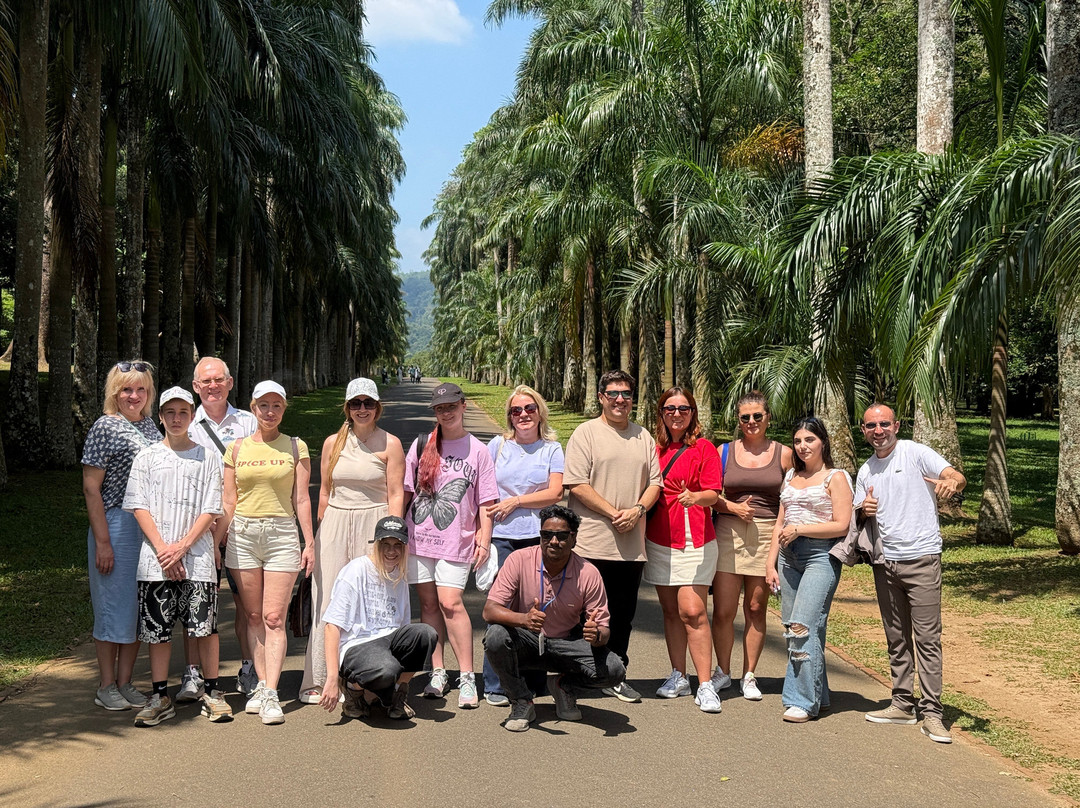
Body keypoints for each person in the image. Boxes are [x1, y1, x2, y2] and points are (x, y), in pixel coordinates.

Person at [856, 403, 965, 744]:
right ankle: (902, 704)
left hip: (921, 559)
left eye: (884, 423)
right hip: (885, 562)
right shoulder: (866, 471)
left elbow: (955, 476)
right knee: (897, 637)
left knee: (927, 639)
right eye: (871, 425)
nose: (879, 430)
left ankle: (932, 713)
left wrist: (951, 482)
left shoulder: (916, 453)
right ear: (863, 431)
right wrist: (865, 509)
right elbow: (860, 512)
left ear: (897, 425)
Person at [123, 387, 231, 726]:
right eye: (170, 412)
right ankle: (159, 696)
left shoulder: (208, 457)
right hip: (155, 562)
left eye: (183, 412)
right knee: (157, 631)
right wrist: (163, 549)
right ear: (161, 416)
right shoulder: (146, 457)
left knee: (205, 628)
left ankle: (212, 691)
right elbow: (138, 506)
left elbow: (212, 507)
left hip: (196, 559)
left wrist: (182, 546)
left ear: (191, 415)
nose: (176, 418)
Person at [300, 378, 405, 704]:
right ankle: (319, 678)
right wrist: (317, 537)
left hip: (373, 525)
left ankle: (366, 680)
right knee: (328, 597)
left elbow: (396, 494)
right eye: (356, 403)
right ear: (347, 407)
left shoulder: (391, 444)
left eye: (368, 403)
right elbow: (325, 492)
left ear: (377, 407)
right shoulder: (333, 442)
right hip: (334, 523)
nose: (363, 409)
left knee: (371, 597)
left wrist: (392, 538)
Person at [563, 370, 662, 703]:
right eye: (613, 393)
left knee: (622, 615)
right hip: (592, 542)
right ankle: (578, 675)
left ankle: (616, 673)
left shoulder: (643, 437)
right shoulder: (586, 433)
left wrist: (636, 510)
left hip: (630, 546)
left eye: (627, 394)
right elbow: (576, 482)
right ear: (601, 397)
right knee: (584, 614)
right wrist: (612, 512)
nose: (620, 400)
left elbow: (655, 485)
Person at [221, 380, 316, 724]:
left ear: (284, 408)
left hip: (281, 535)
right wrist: (218, 541)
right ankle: (261, 685)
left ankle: (272, 693)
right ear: (253, 408)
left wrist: (310, 542)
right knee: (253, 617)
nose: (270, 412)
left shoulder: (295, 447)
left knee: (274, 617)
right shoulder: (236, 449)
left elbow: (301, 498)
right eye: (264, 405)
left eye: (276, 405)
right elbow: (229, 500)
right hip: (243, 535)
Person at [482, 505, 625, 732]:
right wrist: (524, 620)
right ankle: (521, 701)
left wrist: (596, 635)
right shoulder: (519, 559)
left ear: (574, 538)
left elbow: (604, 629)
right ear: (540, 536)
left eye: (561, 536)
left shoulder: (588, 573)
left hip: (566, 644)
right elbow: (489, 611)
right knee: (495, 636)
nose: (554, 541)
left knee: (615, 670)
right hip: (527, 641)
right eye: (547, 535)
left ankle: (563, 686)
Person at [404, 382, 498, 708]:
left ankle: (468, 676)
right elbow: (405, 493)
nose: (446, 412)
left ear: (463, 406)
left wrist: (484, 540)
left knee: (451, 603)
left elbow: (486, 502)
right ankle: (438, 671)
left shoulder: (479, 450)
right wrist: (397, 533)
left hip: (457, 539)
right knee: (428, 606)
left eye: (451, 406)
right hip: (419, 538)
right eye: (440, 408)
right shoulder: (421, 445)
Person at [81, 361, 161, 710]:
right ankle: (105, 685)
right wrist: (103, 541)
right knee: (112, 606)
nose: (134, 395)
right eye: (127, 389)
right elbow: (90, 488)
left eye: (141, 389)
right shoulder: (105, 427)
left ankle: (126, 681)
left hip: (148, 527)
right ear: (115, 392)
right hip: (117, 525)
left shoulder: (151, 427)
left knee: (137, 608)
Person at [481, 385, 565, 706]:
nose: (524, 415)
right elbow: (485, 493)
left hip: (538, 540)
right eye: (516, 411)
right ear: (510, 417)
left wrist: (515, 500)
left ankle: (533, 682)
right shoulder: (498, 446)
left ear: (539, 411)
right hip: (502, 537)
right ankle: (494, 683)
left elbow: (555, 492)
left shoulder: (552, 449)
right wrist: (483, 537)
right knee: (499, 609)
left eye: (529, 408)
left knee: (538, 607)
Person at [764, 417, 852, 722]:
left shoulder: (836, 478)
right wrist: (770, 561)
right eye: (798, 441)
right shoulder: (790, 476)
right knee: (796, 628)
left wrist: (801, 529)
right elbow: (779, 523)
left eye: (809, 440)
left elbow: (841, 524)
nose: (803, 446)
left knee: (802, 626)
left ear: (823, 442)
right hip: (788, 558)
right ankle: (820, 695)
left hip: (820, 556)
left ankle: (800, 700)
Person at [710, 391, 793, 702]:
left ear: (767, 417)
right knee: (724, 611)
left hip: (767, 533)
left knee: (756, 608)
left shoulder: (784, 453)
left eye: (757, 416)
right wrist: (732, 508)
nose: (752, 422)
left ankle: (749, 675)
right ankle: (722, 671)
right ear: (738, 419)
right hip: (729, 532)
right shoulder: (724, 451)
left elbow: (791, 498)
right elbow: (710, 494)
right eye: (745, 417)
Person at [644, 388, 723, 713]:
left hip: (696, 541)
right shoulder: (653, 448)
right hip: (660, 539)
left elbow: (713, 493)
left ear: (693, 412)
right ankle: (679, 675)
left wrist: (696, 497)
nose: (677, 413)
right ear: (661, 412)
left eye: (684, 408)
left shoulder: (703, 448)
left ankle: (705, 684)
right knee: (670, 611)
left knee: (693, 610)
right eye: (670, 408)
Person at [186, 356, 259, 699]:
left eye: (219, 380)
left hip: (242, 527)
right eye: (206, 381)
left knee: (246, 604)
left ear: (230, 383)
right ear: (196, 387)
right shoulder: (185, 424)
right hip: (198, 531)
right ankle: (193, 673)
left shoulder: (248, 422)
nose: (212, 386)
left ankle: (249, 668)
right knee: (196, 603)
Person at [319, 516, 438, 721]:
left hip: (387, 641)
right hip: (358, 645)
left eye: (397, 545)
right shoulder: (357, 570)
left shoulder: (399, 575)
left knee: (426, 634)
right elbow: (332, 626)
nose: (391, 551)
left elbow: (403, 627)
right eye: (386, 544)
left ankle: (396, 694)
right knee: (386, 668)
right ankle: (353, 691)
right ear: (376, 545)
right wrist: (331, 678)